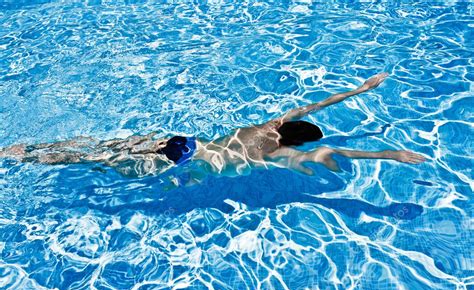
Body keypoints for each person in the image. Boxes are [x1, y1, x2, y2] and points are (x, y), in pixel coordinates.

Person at [0, 72, 425, 180]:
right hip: (181, 163)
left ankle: (25, 148)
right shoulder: (278, 153)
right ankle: (31, 158)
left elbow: (321, 102)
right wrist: (392, 154)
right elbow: (339, 153)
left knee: (100, 147)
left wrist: (361, 89)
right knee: (91, 163)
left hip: (181, 140)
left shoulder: (273, 124)